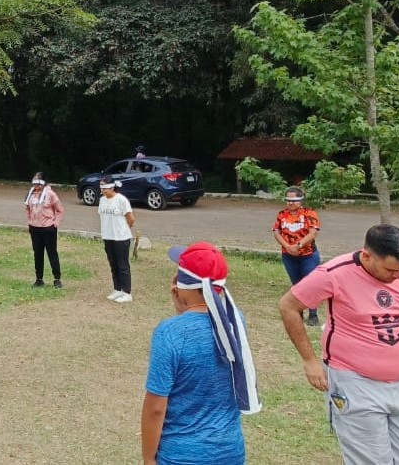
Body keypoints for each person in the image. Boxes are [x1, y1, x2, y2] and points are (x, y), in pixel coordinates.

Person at [278, 224, 399, 465]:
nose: (397, 276)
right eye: (390, 269)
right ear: (367, 256)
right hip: (354, 382)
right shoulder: (333, 273)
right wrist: (309, 360)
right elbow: (288, 306)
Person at [142, 242, 260, 465]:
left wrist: (149, 459)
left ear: (183, 283)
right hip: (229, 450)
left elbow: (156, 407)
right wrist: (183, 308)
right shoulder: (236, 320)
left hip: (182, 454)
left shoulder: (169, 333)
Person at [273, 185, 321, 326]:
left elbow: (312, 233)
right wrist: (287, 246)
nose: (290, 203)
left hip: (308, 254)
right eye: (288, 200)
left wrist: (298, 245)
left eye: (294, 200)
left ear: (301, 200)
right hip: (288, 255)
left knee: (310, 284)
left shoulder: (309, 213)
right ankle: (298, 312)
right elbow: (276, 231)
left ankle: (313, 314)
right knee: (296, 284)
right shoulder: (282, 214)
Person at [98, 175, 135, 303]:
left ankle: (127, 292)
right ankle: (117, 289)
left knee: (122, 265)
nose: (102, 191)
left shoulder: (121, 200)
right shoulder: (102, 200)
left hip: (121, 237)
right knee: (113, 264)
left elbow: (131, 218)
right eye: (101, 188)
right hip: (108, 236)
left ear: (112, 187)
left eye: (104, 188)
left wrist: (124, 230)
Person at [24, 171, 64, 288]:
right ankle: (39, 279)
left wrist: (55, 223)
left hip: (48, 228)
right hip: (34, 228)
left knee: (52, 253)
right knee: (38, 254)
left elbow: (60, 210)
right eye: (34, 181)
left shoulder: (50, 194)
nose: (35, 185)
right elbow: (27, 208)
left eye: (38, 181)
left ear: (43, 182)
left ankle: (57, 279)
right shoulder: (31, 193)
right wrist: (30, 220)